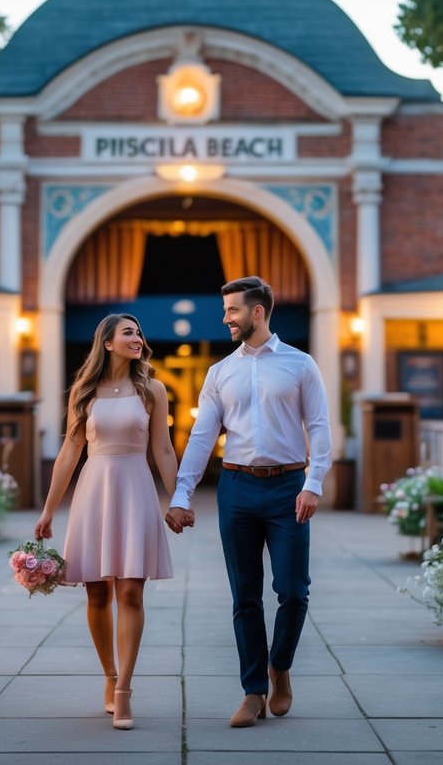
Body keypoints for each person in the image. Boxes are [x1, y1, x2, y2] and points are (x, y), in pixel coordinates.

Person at [165, 276, 331, 728]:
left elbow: (318, 427)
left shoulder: (300, 365)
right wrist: (182, 493)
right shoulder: (220, 372)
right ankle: (253, 690)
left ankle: (280, 664)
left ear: (257, 312)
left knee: (294, 591)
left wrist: (313, 482)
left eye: (233, 310)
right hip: (236, 489)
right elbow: (202, 438)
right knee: (244, 598)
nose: (226, 319)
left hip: (288, 488)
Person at [34, 313, 180, 731]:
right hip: (94, 490)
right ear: (109, 343)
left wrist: (179, 499)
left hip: (135, 489)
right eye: (129, 332)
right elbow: (69, 453)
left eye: (139, 332)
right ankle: (108, 675)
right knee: (97, 595)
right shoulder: (83, 391)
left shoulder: (152, 389)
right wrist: (47, 511)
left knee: (131, 592)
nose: (138, 338)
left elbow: (164, 451)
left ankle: (124, 692)